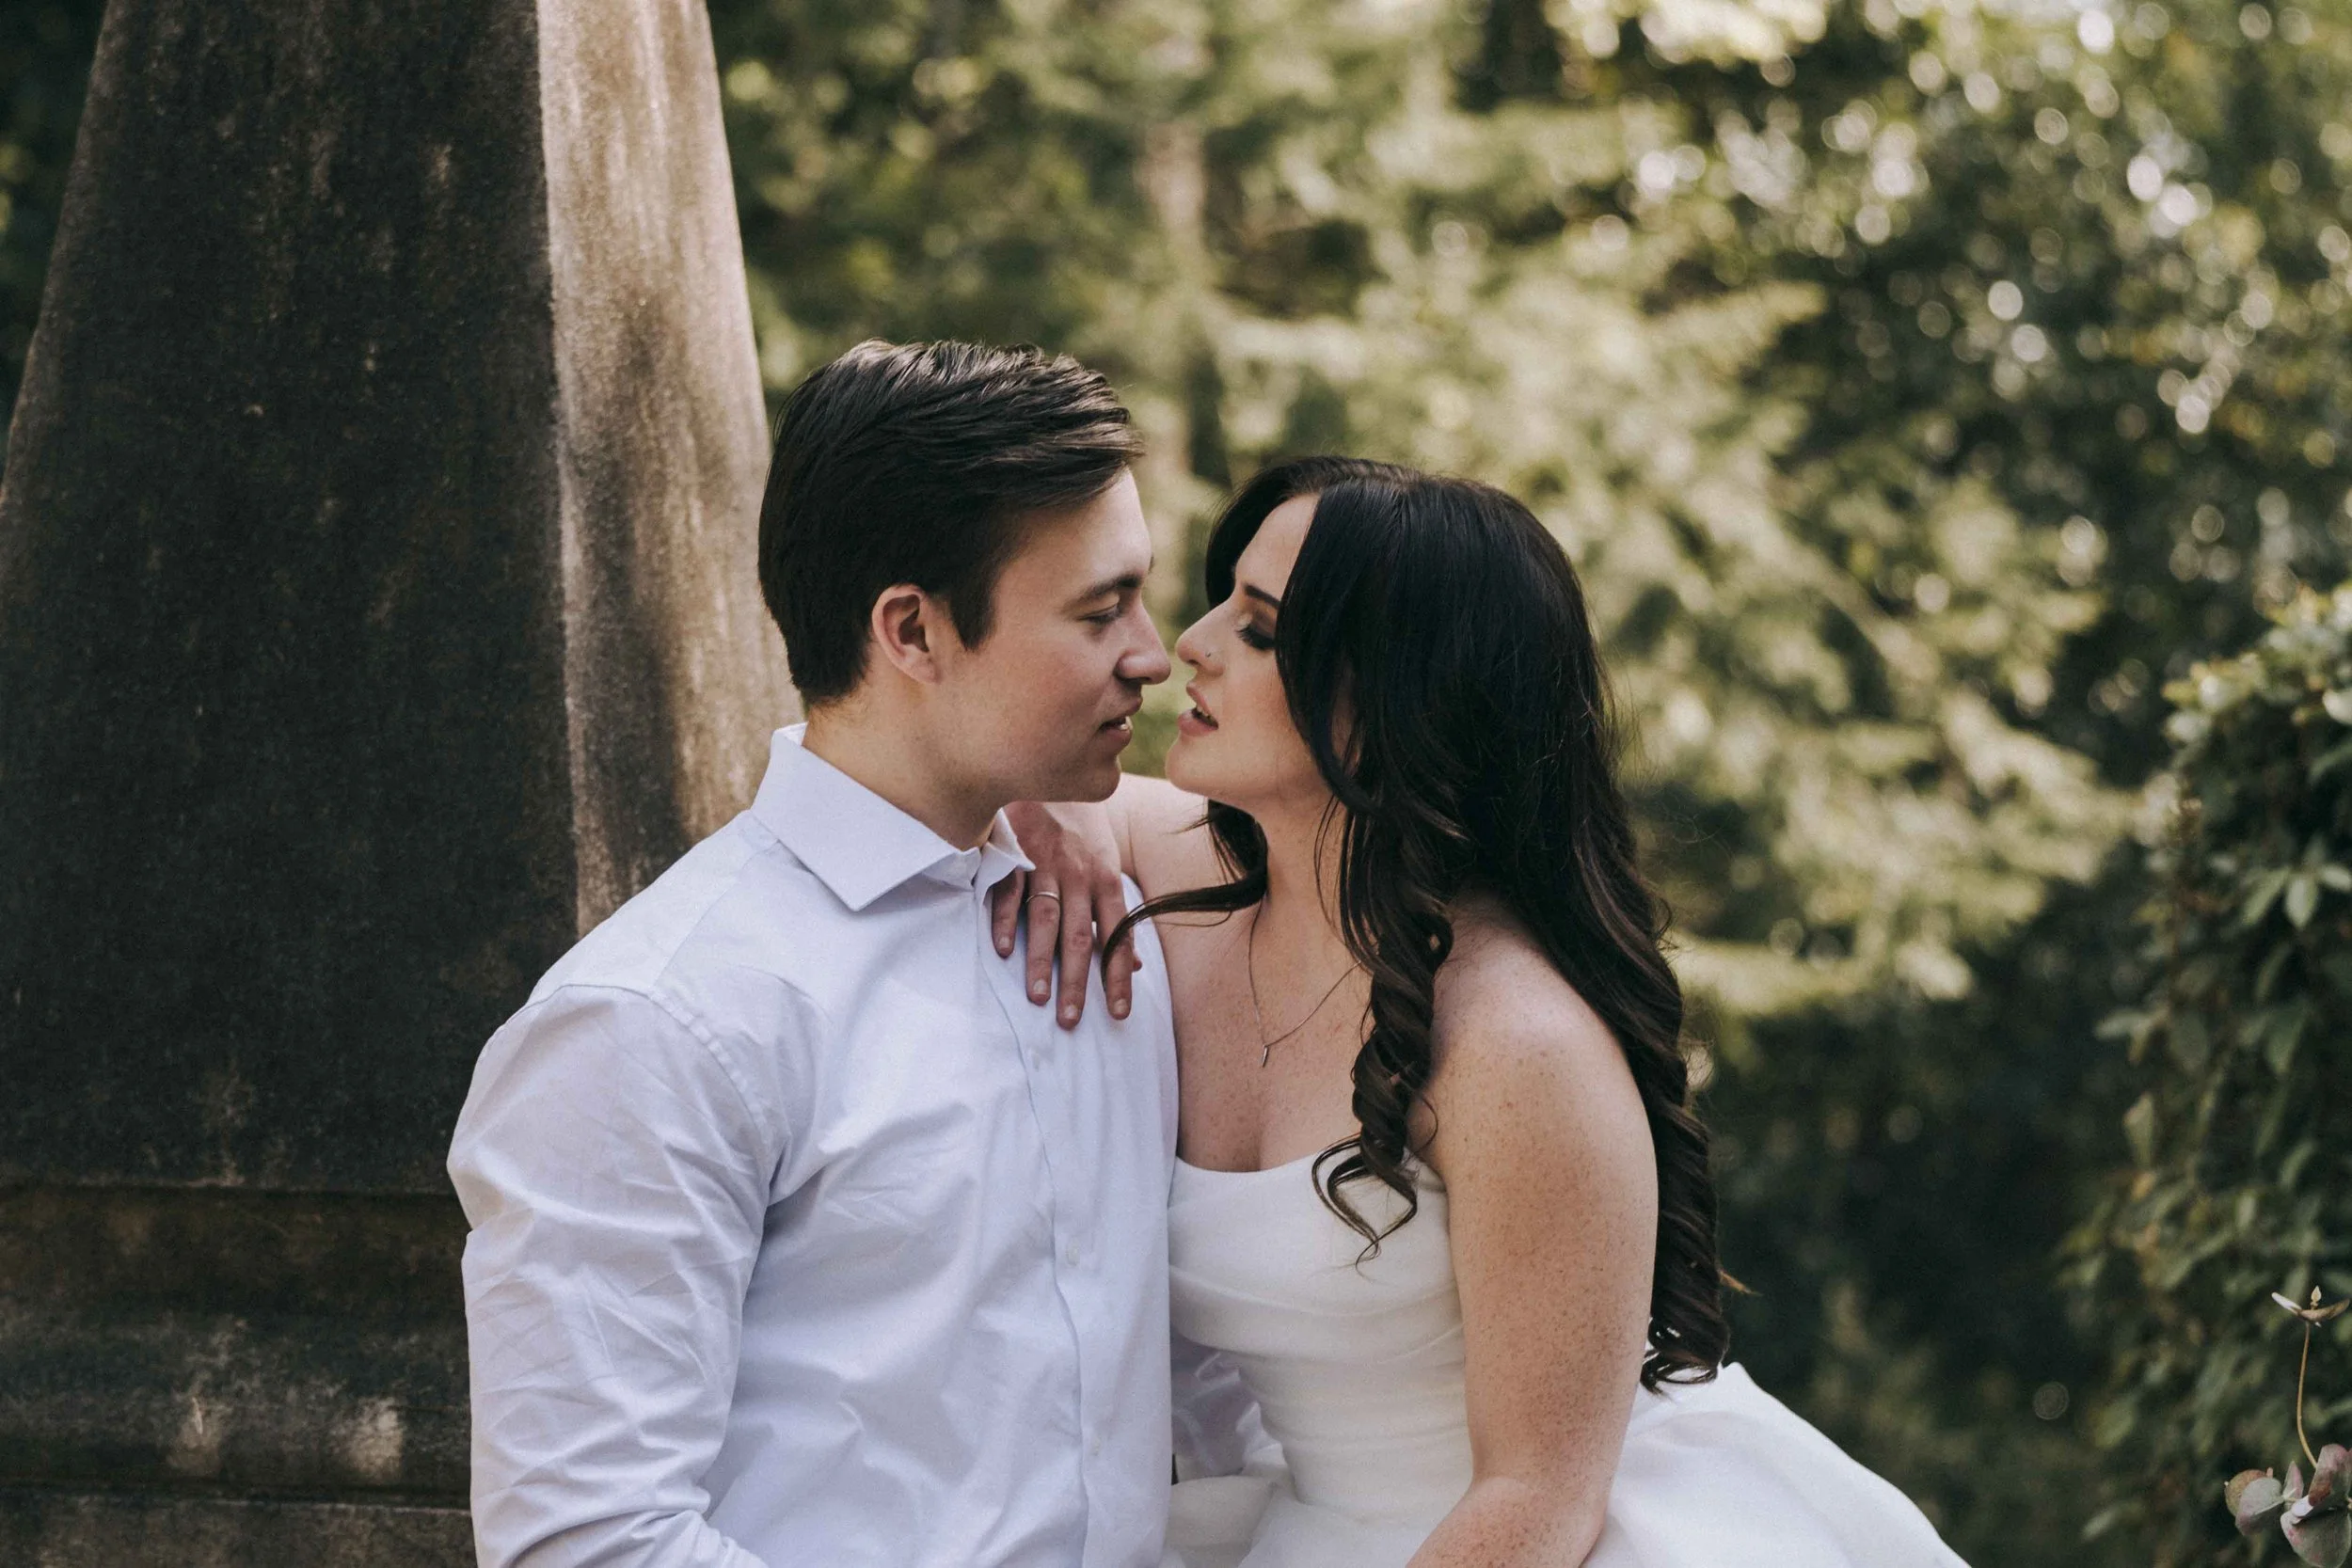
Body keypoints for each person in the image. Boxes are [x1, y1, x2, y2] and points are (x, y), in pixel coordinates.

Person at [1000, 456, 1972, 1568]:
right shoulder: (1194, 874)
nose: (1190, 642)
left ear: (1397, 704)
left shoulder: (1519, 1044)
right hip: (1311, 1524)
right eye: (1226, 597)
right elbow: (975, 755)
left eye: (1263, 631)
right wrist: (1054, 813)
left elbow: (1539, 1496)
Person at [448, 340, 1188, 1568]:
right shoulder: (656, 1018)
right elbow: (588, 1539)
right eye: (1100, 609)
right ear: (912, 629)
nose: (1152, 651)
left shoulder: (1103, 925)